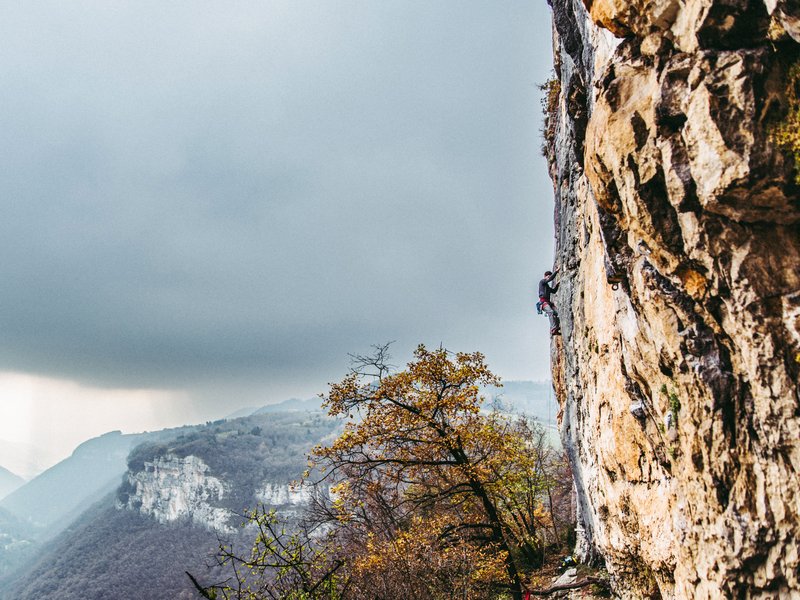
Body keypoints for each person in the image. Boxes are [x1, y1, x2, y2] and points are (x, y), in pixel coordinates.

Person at [538, 267, 560, 335]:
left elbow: (553, 291)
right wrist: (556, 271)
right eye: (548, 276)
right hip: (543, 303)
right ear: (545, 276)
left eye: (549, 276)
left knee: (557, 313)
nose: (548, 278)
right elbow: (550, 279)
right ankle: (553, 329)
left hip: (548, 302)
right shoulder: (542, 282)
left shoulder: (546, 287)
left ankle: (556, 327)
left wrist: (557, 285)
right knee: (550, 312)